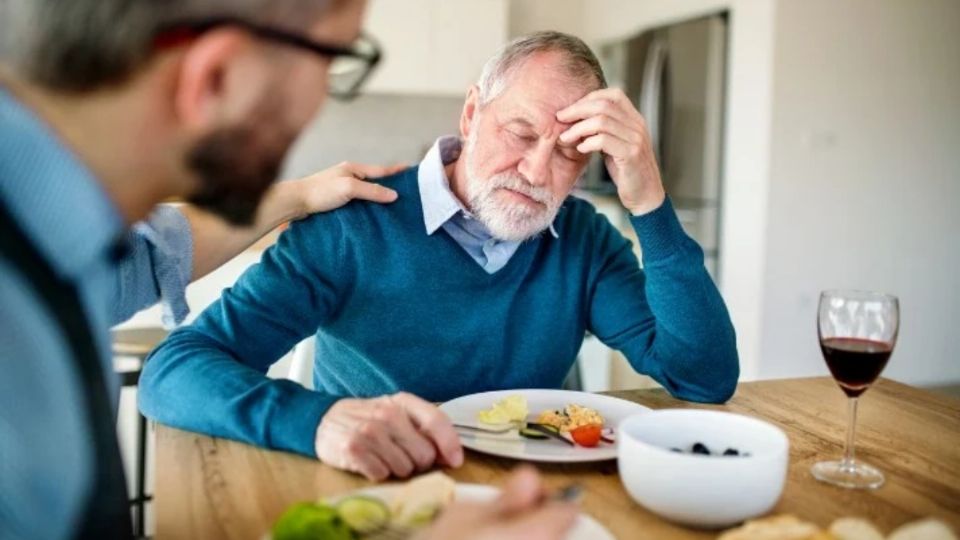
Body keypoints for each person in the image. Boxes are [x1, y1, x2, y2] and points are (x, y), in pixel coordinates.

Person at [0, 1, 575, 538]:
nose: (325, 99)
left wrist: (296, 196)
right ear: (217, 77)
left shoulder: (58, 251)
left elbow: (146, 255)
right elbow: (176, 365)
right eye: (335, 60)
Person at [140, 31, 740, 481]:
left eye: (567, 155)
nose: (536, 172)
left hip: (521, 505)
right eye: (522, 133)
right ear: (474, 112)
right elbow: (174, 373)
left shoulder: (584, 239)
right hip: (375, 495)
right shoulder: (353, 221)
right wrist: (317, 421)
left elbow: (703, 377)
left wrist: (650, 205)